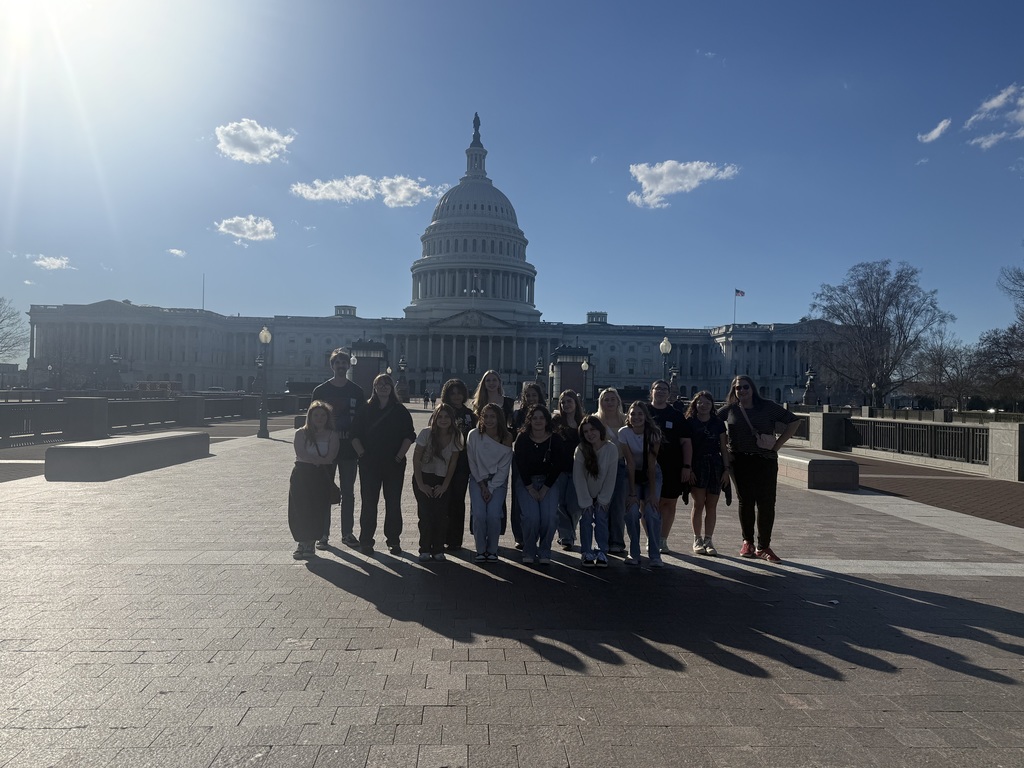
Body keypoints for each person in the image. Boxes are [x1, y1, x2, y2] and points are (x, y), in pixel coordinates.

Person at [718, 375, 801, 562]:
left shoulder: (767, 407)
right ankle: (747, 541)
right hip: (739, 461)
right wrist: (724, 450)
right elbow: (713, 426)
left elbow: (794, 421)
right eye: (738, 388)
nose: (742, 391)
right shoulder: (730, 410)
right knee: (745, 501)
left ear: (753, 388)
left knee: (766, 502)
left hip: (765, 460)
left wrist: (778, 445)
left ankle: (764, 546)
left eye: (745, 387)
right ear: (734, 391)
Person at [352, 374, 416, 555]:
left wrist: (398, 457)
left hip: (393, 464)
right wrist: (362, 455)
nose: (384, 387)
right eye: (380, 384)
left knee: (393, 503)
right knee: (369, 503)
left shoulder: (399, 410)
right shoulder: (365, 410)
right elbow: (354, 434)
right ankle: (366, 540)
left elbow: (410, 435)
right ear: (374, 387)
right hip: (369, 464)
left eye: (387, 384)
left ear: (392, 388)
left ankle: (393, 540)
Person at [310, 348, 365, 550]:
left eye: (344, 363)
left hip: (349, 450)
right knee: (324, 491)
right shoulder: (320, 391)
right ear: (332, 366)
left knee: (348, 493)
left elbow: (361, 422)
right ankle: (322, 534)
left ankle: (347, 533)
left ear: (348, 366)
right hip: (325, 450)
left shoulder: (357, 391)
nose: (341, 366)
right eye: (337, 363)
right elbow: (312, 420)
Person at [512, 403, 565, 565]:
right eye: (534, 418)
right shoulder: (522, 438)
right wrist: (530, 487)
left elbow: (558, 465)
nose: (538, 421)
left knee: (549, 517)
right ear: (529, 420)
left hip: (548, 482)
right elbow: (520, 464)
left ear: (547, 420)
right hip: (526, 482)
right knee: (531, 517)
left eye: (542, 418)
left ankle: (544, 550)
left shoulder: (555, 439)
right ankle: (529, 549)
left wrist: (545, 488)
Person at [412, 403, 464, 562]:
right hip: (424, 477)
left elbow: (453, 464)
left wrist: (445, 486)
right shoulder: (426, 433)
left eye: (447, 417)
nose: (443, 420)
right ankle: (425, 548)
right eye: (440, 416)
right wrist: (421, 484)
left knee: (441, 516)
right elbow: (416, 459)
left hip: (442, 479)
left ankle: (438, 548)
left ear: (452, 419)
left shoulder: (457, 436)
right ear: (434, 418)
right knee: (426, 515)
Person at [288, 401, 340, 559]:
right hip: (302, 475)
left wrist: (315, 460)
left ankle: (310, 543)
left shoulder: (332, 434)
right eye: (316, 415)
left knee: (316, 510)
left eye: (323, 415)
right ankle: (301, 542)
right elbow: (300, 452)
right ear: (309, 416)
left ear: (328, 417)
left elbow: (331, 457)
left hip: (320, 476)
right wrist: (318, 460)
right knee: (299, 509)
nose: (319, 418)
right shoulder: (300, 433)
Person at [647, 379, 693, 553]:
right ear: (651, 391)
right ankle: (652, 537)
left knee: (669, 503)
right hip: (647, 464)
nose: (660, 392)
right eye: (657, 388)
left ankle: (662, 539)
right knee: (649, 503)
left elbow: (686, 442)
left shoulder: (676, 415)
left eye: (664, 389)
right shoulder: (643, 412)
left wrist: (687, 466)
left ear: (669, 393)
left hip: (672, 465)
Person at [466, 402, 514, 563]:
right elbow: (472, 462)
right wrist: (481, 484)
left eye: (492, 416)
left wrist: (491, 488)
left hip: (497, 482)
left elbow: (504, 467)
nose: (489, 420)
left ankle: (492, 549)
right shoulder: (473, 435)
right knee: (479, 514)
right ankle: (480, 549)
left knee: (493, 515)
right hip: (477, 479)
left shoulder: (507, 437)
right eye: (485, 416)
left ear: (499, 418)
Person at [619, 401, 664, 567]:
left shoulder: (654, 433)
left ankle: (655, 554)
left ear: (645, 416)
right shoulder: (623, 433)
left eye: (639, 414)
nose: (636, 417)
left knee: (652, 512)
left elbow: (652, 465)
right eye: (632, 414)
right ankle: (634, 552)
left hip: (651, 474)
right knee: (631, 512)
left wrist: (652, 494)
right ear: (628, 416)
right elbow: (629, 463)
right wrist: (632, 494)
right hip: (631, 475)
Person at [684, 391, 730, 557]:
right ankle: (697, 539)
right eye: (700, 403)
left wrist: (726, 469)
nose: (703, 406)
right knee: (698, 504)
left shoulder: (718, 423)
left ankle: (708, 540)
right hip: (697, 464)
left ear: (712, 406)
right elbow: (686, 446)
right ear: (695, 404)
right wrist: (688, 468)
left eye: (707, 403)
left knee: (711, 505)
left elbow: (724, 448)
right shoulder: (690, 422)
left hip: (715, 465)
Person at [572, 415, 618, 567]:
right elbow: (578, 477)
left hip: (602, 492)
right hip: (585, 492)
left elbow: (611, 476)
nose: (590, 434)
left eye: (593, 430)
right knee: (585, 520)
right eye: (585, 432)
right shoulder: (580, 450)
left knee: (601, 519)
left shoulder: (611, 448)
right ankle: (586, 551)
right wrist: (585, 501)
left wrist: (603, 500)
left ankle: (602, 551)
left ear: (600, 430)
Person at [504, 379, 542, 549]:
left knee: (540, 499)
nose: (531, 398)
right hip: (520, 461)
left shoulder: (545, 414)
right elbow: (510, 434)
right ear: (524, 397)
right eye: (528, 395)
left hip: (541, 463)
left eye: (534, 395)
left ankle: (535, 534)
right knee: (519, 499)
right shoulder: (518, 415)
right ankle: (520, 535)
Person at [440, 379, 475, 550]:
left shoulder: (470, 414)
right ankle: (441, 535)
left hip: (462, 463)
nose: (456, 396)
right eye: (452, 393)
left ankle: (455, 539)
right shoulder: (442, 412)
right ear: (446, 394)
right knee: (443, 499)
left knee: (458, 500)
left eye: (459, 392)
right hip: (443, 463)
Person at [594, 387, 628, 555]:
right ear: (601, 402)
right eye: (606, 399)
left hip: (620, 466)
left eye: (612, 399)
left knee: (618, 505)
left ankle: (616, 540)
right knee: (602, 503)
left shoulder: (626, 420)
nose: (609, 402)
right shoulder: (596, 420)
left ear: (618, 401)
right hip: (601, 467)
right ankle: (603, 539)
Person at [552, 389, 585, 550]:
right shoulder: (556, 421)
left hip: (577, 470)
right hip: (559, 469)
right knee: (559, 504)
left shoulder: (584, 422)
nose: (566, 405)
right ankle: (567, 536)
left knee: (574, 505)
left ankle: (569, 532)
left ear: (576, 403)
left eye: (569, 401)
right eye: (563, 402)